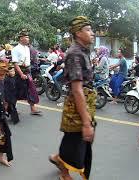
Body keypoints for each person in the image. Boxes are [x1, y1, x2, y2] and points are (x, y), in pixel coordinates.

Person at [48, 16, 96, 180]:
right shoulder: (75, 53)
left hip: (86, 101)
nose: (92, 33)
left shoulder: (84, 51)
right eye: (88, 30)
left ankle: (57, 159)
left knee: (79, 140)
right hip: (77, 103)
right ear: (78, 33)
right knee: (75, 139)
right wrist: (85, 121)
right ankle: (64, 172)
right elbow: (77, 89)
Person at [12, 30, 41, 115]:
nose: (28, 39)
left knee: (31, 89)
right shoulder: (15, 49)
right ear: (21, 38)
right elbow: (15, 63)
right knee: (17, 91)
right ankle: (12, 108)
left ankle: (33, 108)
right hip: (19, 72)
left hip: (28, 70)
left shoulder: (27, 48)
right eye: (26, 37)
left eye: (28, 37)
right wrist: (21, 74)